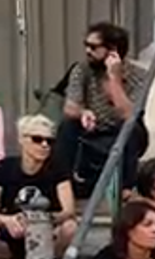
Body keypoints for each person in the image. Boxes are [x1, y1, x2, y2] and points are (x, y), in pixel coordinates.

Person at [58, 22, 149, 198]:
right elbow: (69, 108)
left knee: (130, 128)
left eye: (93, 47)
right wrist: (83, 112)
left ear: (112, 50)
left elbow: (129, 114)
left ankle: (126, 189)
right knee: (67, 126)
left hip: (124, 131)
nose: (87, 51)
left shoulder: (138, 75)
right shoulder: (82, 69)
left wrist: (114, 77)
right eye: (85, 45)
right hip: (92, 129)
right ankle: (63, 185)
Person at [0, 115, 77, 259]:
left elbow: (68, 211)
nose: (45, 145)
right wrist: (6, 220)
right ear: (22, 140)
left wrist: (38, 219)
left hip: (47, 229)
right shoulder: (4, 167)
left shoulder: (58, 168)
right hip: (13, 228)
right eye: (37, 139)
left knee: (70, 228)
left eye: (49, 141)